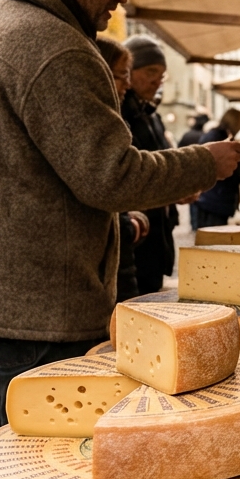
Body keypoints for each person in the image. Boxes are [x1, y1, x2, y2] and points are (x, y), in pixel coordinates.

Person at [0, 0, 240, 440]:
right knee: (48, 459)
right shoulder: (56, 46)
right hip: (35, 304)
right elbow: (111, 175)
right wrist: (204, 161)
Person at [121, 35, 180, 294]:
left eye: (162, 75)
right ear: (128, 72)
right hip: (135, 237)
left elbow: (162, 161)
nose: (157, 81)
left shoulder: (150, 115)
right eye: (151, 71)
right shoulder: (120, 112)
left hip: (158, 235)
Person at [96, 37, 151, 303]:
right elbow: (111, 180)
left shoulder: (127, 114)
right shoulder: (108, 120)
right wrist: (130, 225)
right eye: (121, 76)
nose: (127, 84)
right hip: (114, 264)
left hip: (127, 257)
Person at [193, 109, 240, 228]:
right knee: (212, 240)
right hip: (213, 200)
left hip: (217, 199)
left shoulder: (223, 136)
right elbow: (203, 165)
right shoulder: (216, 137)